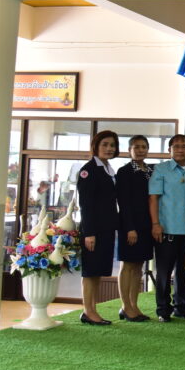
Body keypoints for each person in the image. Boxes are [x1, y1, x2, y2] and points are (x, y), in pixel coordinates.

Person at [148, 134, 185, 322]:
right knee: (163, 273)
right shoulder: (161, 170)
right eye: (175, 146)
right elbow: (153, 198)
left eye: (183, 146)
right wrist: (155, 224)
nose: (179, 149)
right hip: (166, 230)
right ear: (169, 150)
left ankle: (182, 308)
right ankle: (163, 310)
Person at [76, 130, 121, 325]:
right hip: (93, 231)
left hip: (107, 229)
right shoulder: (89, 170)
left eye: (112, 145)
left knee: (97, 272)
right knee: (90, 271)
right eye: (105, 144)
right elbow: (86, 204)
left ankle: (91, 309)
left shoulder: (108, 169)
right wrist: (90, 233)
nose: (109, 148)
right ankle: (88, 311)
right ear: (96, 146)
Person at [114, 135, 154, 322]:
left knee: (138, 266)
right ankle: (125, 306)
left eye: (143, 147)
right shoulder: (124, 171)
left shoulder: (150, 171)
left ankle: (134, 305)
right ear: (129, 149)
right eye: (136, 147)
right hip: (129, 225)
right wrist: (130, 228)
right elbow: (124, 202)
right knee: (127, 265)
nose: (140, 150)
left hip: (146, 225)